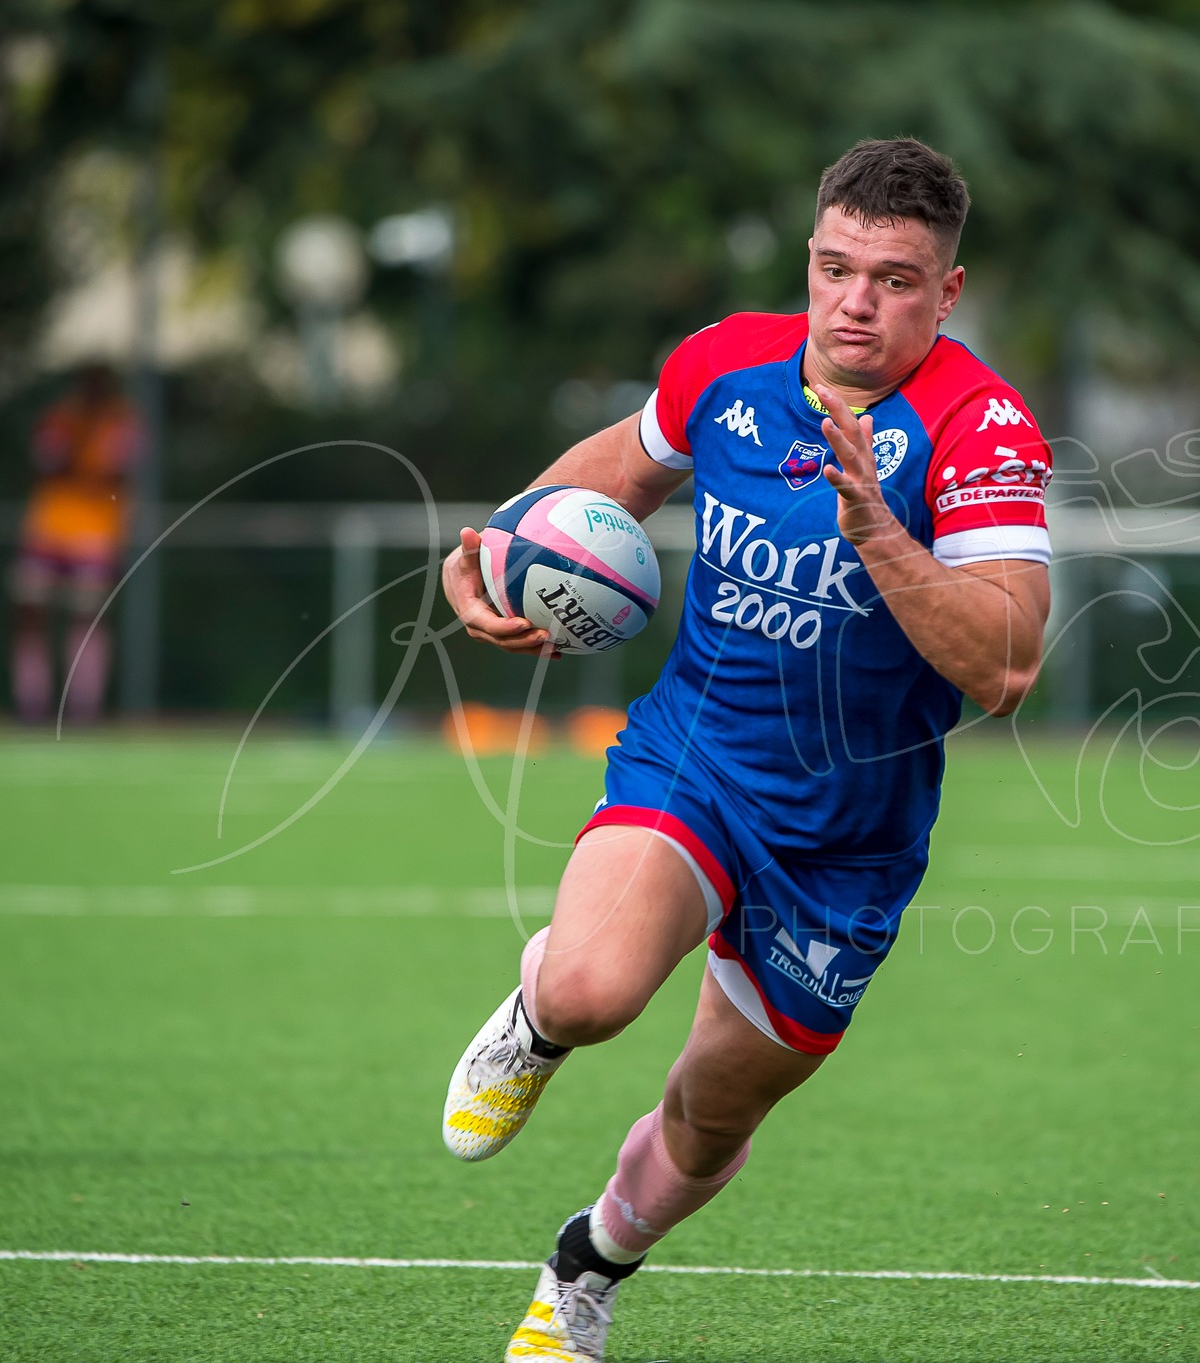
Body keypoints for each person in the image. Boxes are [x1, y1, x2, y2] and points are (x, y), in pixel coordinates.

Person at [438, 139, 1054, 1362]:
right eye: (834, 268)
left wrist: (877, 526)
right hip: (699, 760)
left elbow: (1003, 665)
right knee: (590, 989)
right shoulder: (726, 364)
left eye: (892, 279)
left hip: (849, 841)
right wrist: (496, 550)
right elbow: (611, 473)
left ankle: (585, 1266)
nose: (854, 303)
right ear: (809, 261)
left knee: (709, 1116)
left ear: (947, 292)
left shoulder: (983, 432)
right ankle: (538, 1011)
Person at [10, 364, 144, 725]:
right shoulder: (60, 418)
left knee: (88, 618)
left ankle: (84, 706)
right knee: (30, 612)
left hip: (95, 534)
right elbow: (49, 464)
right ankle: (31, 703)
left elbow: (117, 474)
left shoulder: (122, 422)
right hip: (48, 528)